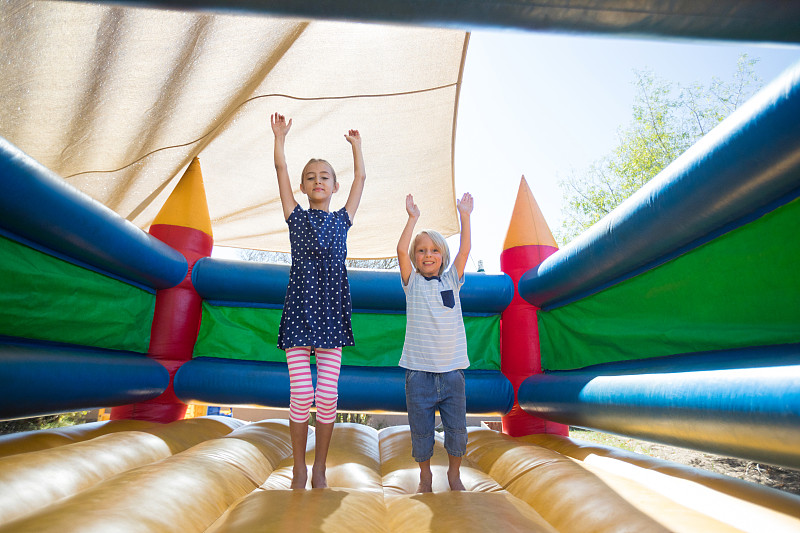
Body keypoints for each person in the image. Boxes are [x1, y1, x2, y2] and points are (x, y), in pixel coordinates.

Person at [270, 112, 366, 489]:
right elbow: (280, 169)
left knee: (326, 396)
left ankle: (320, 467)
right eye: (311, 177)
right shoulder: (295, 217)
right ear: (303, 186)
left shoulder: (343, 219)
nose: (318, 181)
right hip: (298, 313)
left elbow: (360, 179)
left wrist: (357, 148)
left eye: (324, 176)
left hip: (329, 314)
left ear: (334, 185)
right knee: (301, 394)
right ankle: (298, 466)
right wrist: (280, 138)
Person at [396, 192, 473, 492]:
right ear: (416, 258)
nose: (428, 255)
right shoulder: (411, 282)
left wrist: (465, 216)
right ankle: (425, 475)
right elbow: (400, 250)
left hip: (452, 372)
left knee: (457, 431)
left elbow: (465, 249)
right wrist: (412, 218)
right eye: (422, 251)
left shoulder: (452, 280)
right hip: (418, 374)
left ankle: (454, 474)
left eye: (434, 251)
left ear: (443, 256)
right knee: (422, 432)